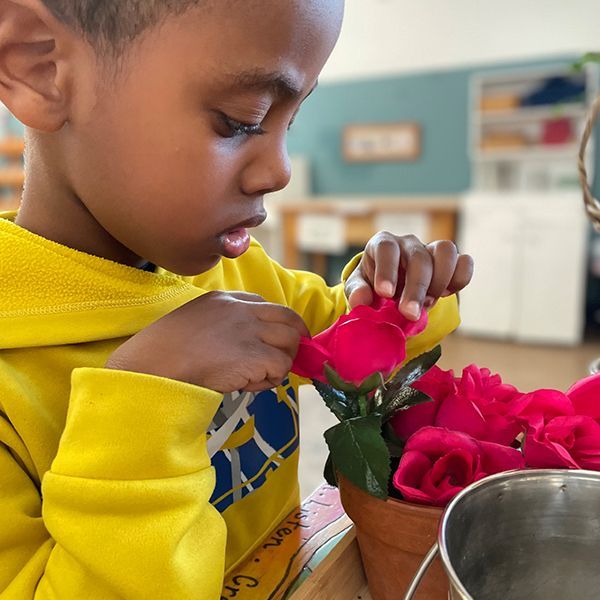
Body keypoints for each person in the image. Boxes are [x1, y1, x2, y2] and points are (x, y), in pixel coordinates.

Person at [0, 0, 473, 598]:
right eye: (241, 119)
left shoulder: (241, 272)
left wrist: (401, 291)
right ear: (38, 66)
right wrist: (143, 403)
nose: (278, 171)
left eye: (290, 122)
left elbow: (356, 339)